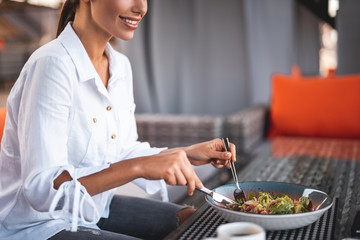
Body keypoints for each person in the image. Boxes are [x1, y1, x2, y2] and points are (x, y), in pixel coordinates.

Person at [0, 0, 236, 239]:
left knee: (198, 224)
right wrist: (139, 168)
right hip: (36, 225)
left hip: (93, 207)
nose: (142, 8)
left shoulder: (120, 66)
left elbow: (123, 150)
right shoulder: (52, 65)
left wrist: (187, 153)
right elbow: (43, 188)